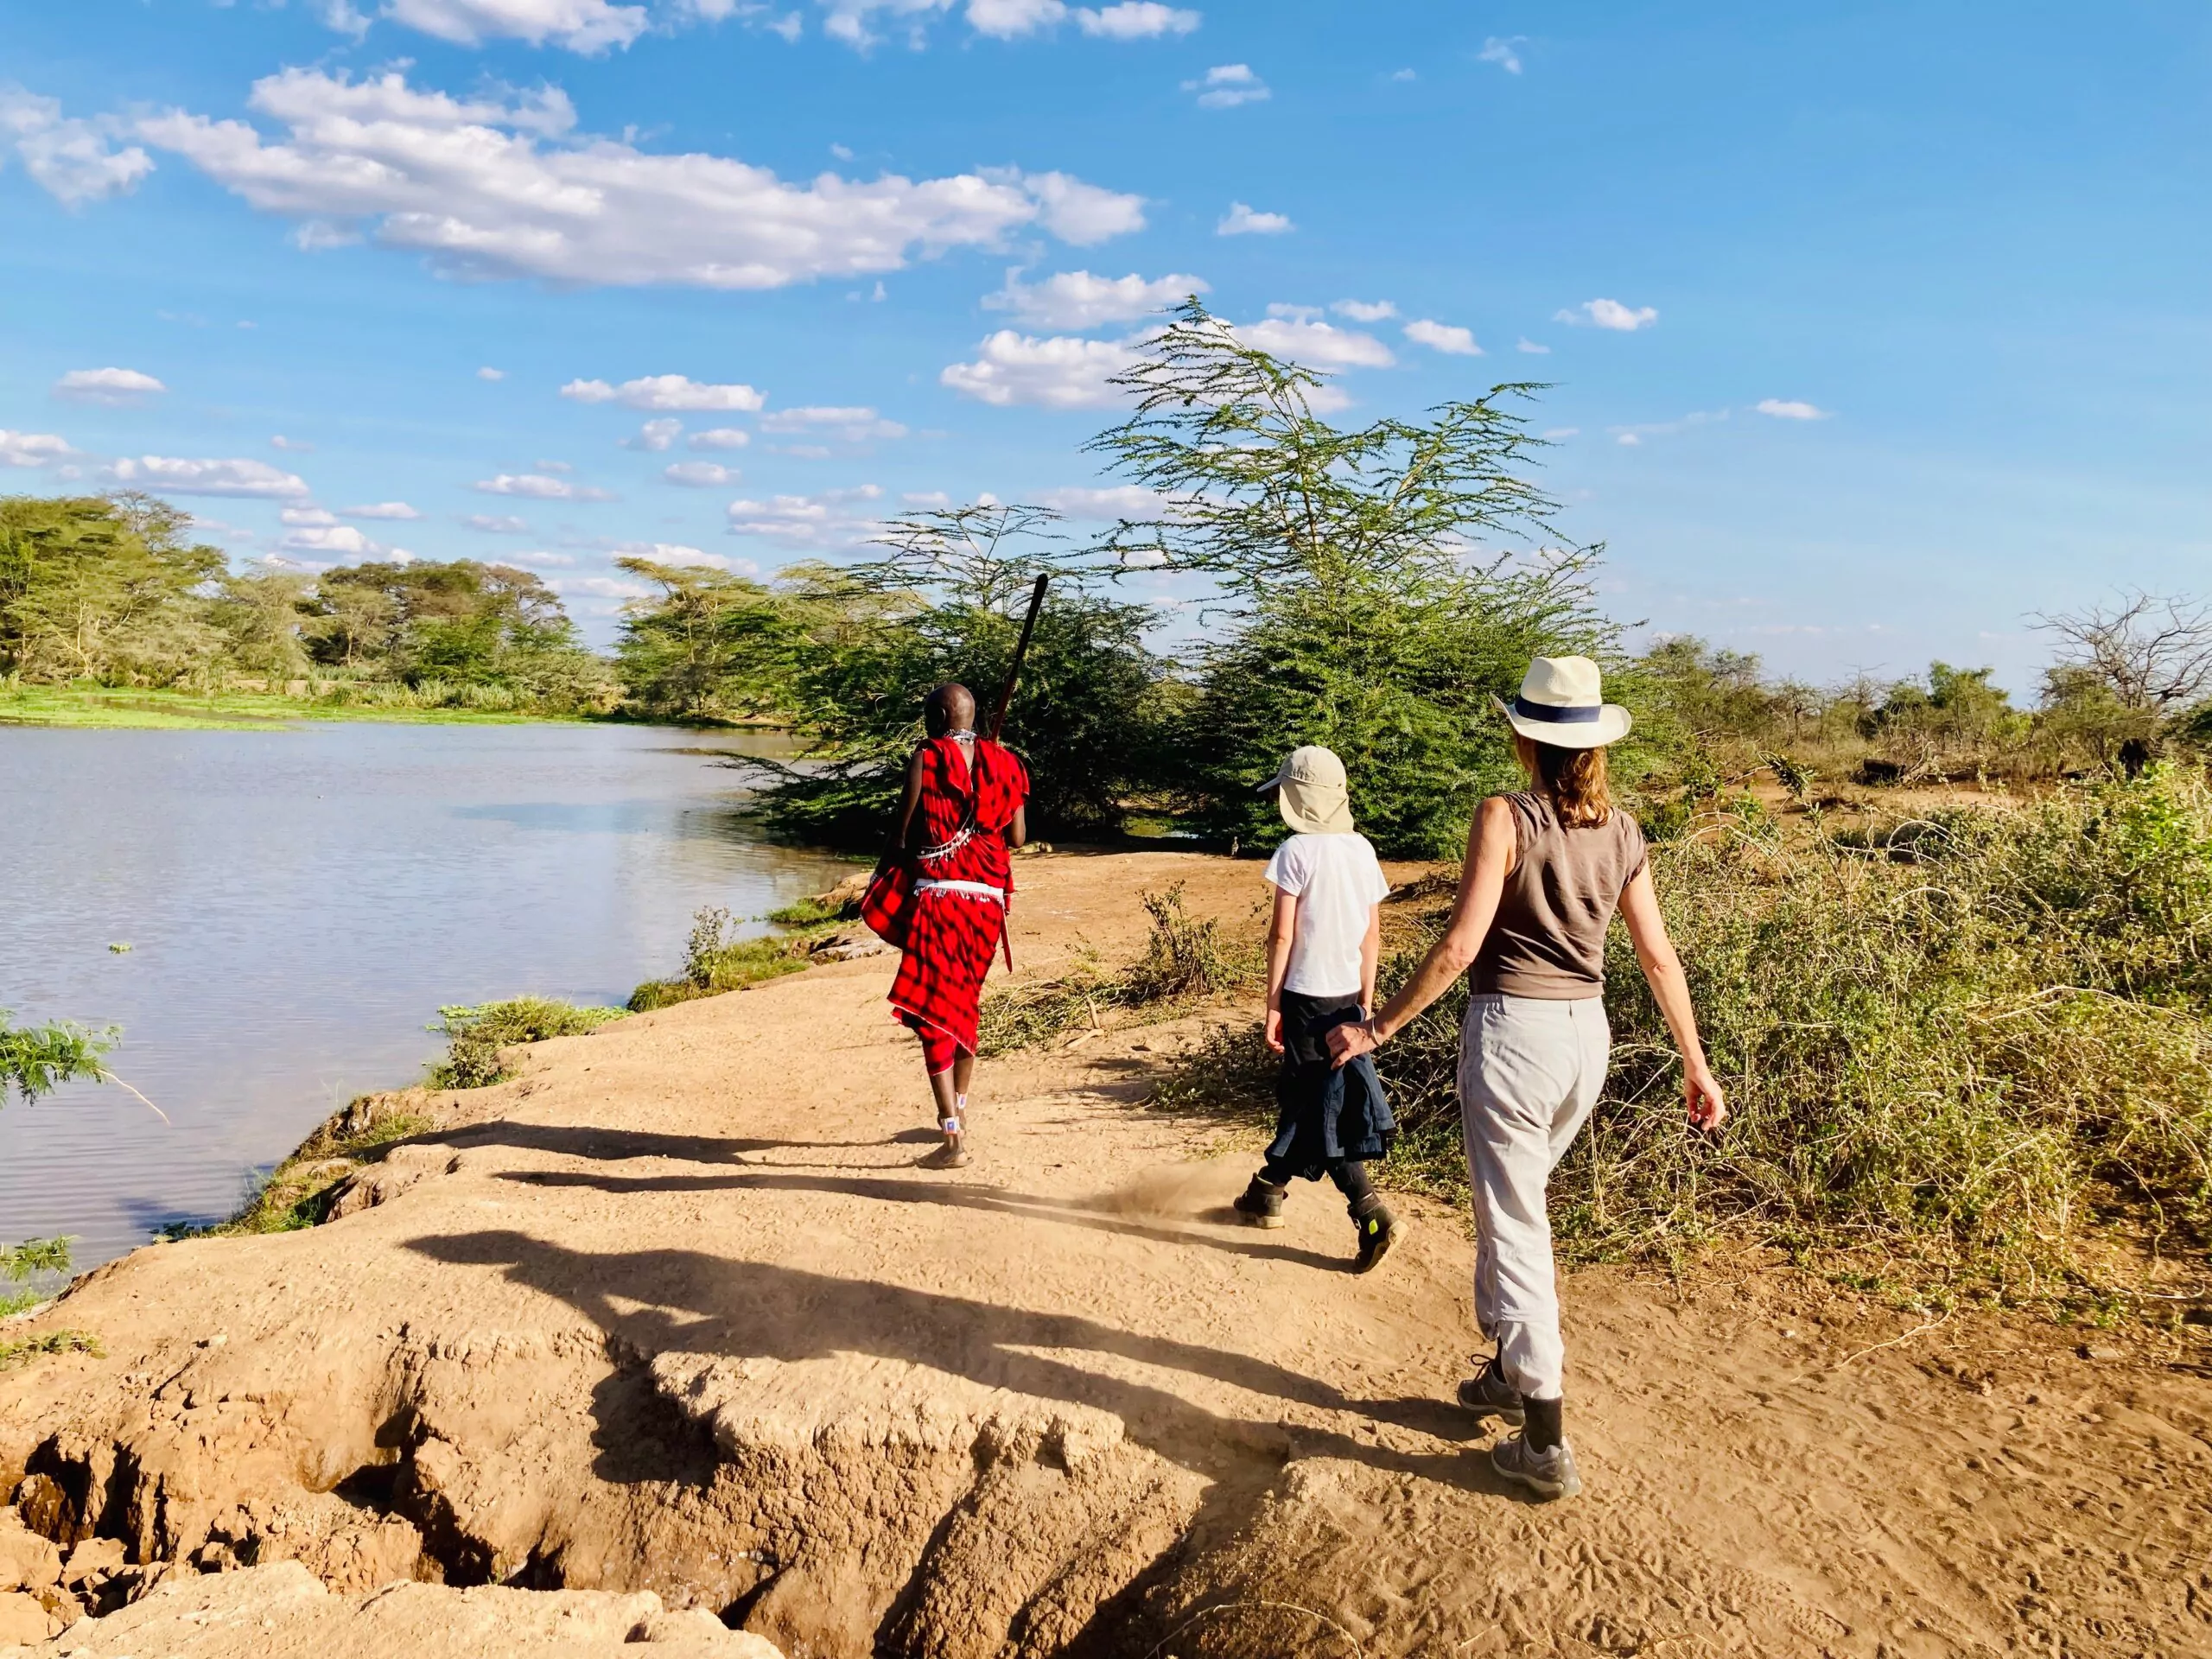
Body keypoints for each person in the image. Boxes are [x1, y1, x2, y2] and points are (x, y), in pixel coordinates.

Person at [1327, 657, 1726, 1502]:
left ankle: (1542, 1436)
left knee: (1514, 1226)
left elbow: (1460, 947)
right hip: (1588, 1038)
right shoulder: (1622, 831)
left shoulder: (1505, 816)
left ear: (1523, 735)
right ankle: (1509, 1372)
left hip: (1514, 1034)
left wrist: (1376, 1028)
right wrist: (1695, 1062)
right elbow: (1656, 955)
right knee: (1517, 1206)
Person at [1231, 745, 1402, 1271]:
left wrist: (1273, 1004)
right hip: (1348, 998)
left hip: (1305, 997)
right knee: (1310, 1097)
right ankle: (1267, 1190)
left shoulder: (1295, 851)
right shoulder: (1363, 850)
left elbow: (1281, 935)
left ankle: (1370, 1212)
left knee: (1320, 1109)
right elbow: (1373, 936)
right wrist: (1366, 1007)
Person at [885, 683, 1029, 1168]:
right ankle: (960, 1113)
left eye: (929, 713)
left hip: (940, 900)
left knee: (931, 1013)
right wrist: (990, 794)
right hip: (988, 905)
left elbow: (904, 832)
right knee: (962, 1005)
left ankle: (951, 1138)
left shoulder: (926, 757)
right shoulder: (1006, 763)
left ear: (941, 714)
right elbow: (1019, 836)